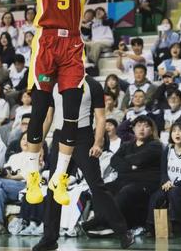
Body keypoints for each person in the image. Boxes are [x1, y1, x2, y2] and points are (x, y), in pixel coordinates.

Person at [21, 0, 89, 206]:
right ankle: (33, 176)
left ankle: (60, 178)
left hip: (72, 46)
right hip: (46, 44)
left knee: (71, 114)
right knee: (39, 110)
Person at [32, 75, 134, 249]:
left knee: (97, 186)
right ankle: (49, 238)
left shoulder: (92, 84)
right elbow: (48, 117)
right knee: (54, 187)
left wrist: (98, 142)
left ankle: (123, 231)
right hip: (60, 136)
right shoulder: (54, 84)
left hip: (83, 137)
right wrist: (39, 145)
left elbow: (101, 117)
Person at [146, 122, 181, 237]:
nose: (177, 133)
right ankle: (150, 227)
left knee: (174, 192)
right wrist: (166, 181)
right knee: (156, 196)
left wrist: (175, 184)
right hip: (169, 185)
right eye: (174, 131)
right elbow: (163, 171)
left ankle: (178, 224)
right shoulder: (168, 150)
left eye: (180, 131)